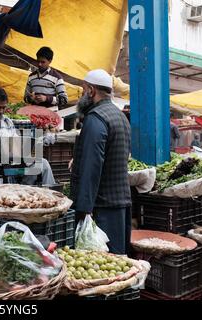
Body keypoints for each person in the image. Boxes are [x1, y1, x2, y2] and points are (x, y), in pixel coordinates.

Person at [70, 69, 131, 255]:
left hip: (101, 207)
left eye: (83, 90)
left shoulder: (95, 119)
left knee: (101, 266)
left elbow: (92, 167)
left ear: (91, 90)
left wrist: (84, 209)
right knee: (119, 263)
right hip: (120, 202)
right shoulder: (120, 116)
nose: (82, 95)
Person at [0, 87, 55, 185]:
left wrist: (23, 151)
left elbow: (16, 143)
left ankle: (29, 194)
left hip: (11, 163)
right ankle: (2, 197)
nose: (1, 111)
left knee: (43, 164)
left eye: (3, 108)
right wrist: (0, 156)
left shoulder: (7, 122)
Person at [24, 47, 68, 111]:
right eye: (38, 61)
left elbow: (64, 100)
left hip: (51, 116)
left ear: (50, 61)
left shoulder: (57, 77)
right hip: (35, 114)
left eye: (43, 62)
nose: (39, 64)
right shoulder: (31, 77)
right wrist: (30, 98)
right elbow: (25, 98)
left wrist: (46, 98)